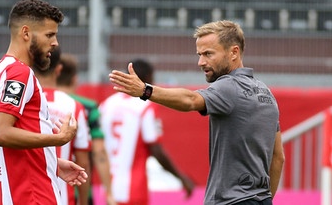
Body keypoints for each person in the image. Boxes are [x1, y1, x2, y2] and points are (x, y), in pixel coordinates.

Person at [108, 20, 285, 205]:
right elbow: (278, 157)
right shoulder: (266, 94)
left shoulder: (228, 87)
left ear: (234, 52)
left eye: (208, 54)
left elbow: (190, 100)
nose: (201, 62)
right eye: (199, 54)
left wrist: (145, 90)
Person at [0, 0, 87, 205]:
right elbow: (1, 133)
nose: (55, 43)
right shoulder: (19, 73)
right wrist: (58, 140)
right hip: (33, 197)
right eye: (49, 35)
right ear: (26, 33)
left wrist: (51, 162)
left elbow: (10, 140)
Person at [100, 59, 195, 205]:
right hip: (133, 190)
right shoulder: (145, 106)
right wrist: (181, 178)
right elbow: (156, 149)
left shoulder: (107, 105)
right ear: (147, 78)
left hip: (107, 188)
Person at [33, 46, 92, 205]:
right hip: (63, 198)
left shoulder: (24, 103)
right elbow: (83, 163)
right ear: (58, 69)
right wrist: (84, 201)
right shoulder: (74, 106)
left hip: (28, 196)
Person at [57, 53, 116, 205]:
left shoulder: (37, 102)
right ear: (75, 79)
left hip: (43, 190)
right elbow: (99, 152)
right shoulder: (87, 107)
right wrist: (109, 193)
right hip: (78, 190)